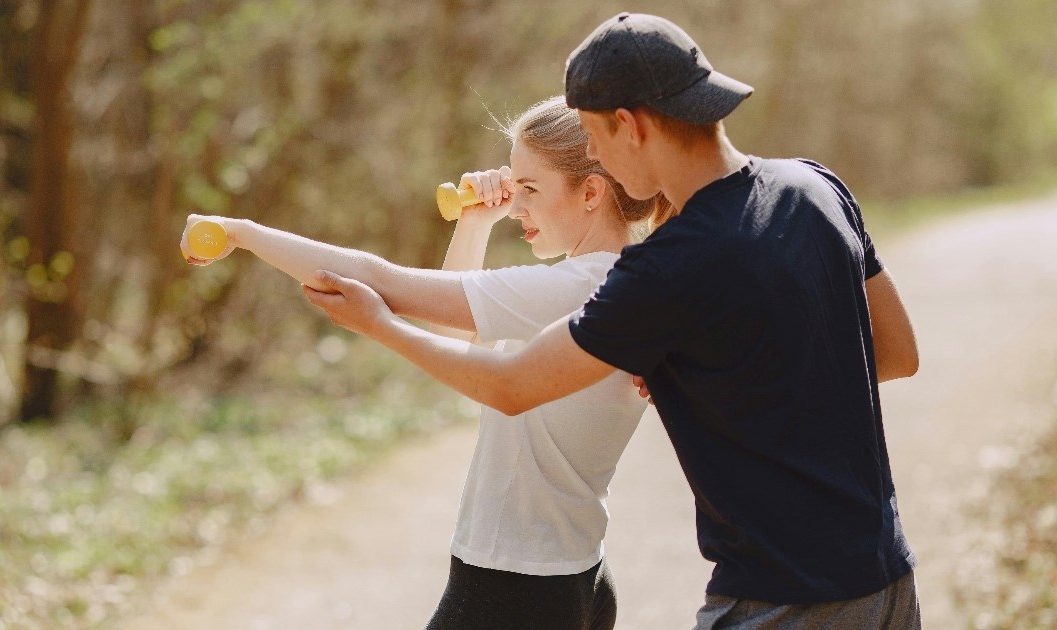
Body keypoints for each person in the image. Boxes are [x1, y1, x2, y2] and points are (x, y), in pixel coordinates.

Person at [301, 13, 922, 630]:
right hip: (886, 579)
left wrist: (378, 323)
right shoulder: (816, 187)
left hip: (783, 599)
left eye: (593, 136)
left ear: (629, 125)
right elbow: (896, 354)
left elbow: (510, 384)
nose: (592, 155)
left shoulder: (666, 269)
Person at [182, 96, 665, 629]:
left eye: (531, 189)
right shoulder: (620, 280)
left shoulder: (576, 287)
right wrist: (476, 223)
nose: (518, 207)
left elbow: (381, 282)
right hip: (570, 576)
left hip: (513, 586)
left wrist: (241, 233)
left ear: (592, 191)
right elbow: (456, 332)